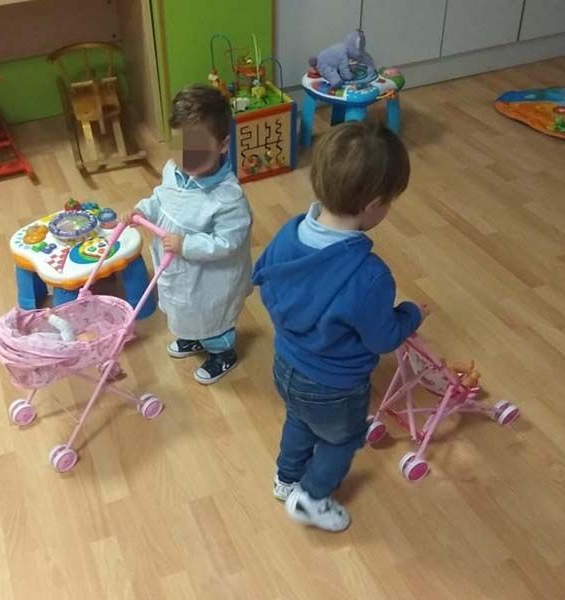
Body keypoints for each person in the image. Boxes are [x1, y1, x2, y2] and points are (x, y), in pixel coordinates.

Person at [252, 121, 428, 531]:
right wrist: (411, 314)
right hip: (334, 386)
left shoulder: (289, 231)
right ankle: (311, 499)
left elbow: (266, 281)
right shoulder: (368, 275)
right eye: (390, 202)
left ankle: (286, 478)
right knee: (340, 439)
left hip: (285, 365)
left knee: (298, 418)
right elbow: (383, 337)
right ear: (373, 204)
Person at [126, 85, 252, 384]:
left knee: (210, 312)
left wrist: (187, 244)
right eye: (180, 146)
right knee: (182, 306)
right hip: (176, 267)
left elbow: (229, 242)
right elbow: (161, 199)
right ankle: (193, 336)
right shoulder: (173, 171)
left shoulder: (227, 198)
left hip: (210, 277)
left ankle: (222, 352)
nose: (187, 158)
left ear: (223, 146)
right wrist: (142, 211)